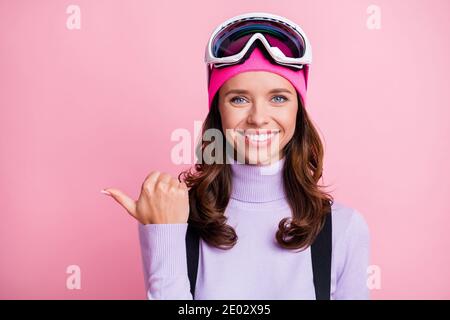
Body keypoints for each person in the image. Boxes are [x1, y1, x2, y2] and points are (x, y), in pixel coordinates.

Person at [102, 12, 370, 300]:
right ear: (218, 110)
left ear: (298, 111)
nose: (258, 118)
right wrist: (164, 231)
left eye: (278, 97)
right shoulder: (175, 217)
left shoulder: (342, 228)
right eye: (239, 99)